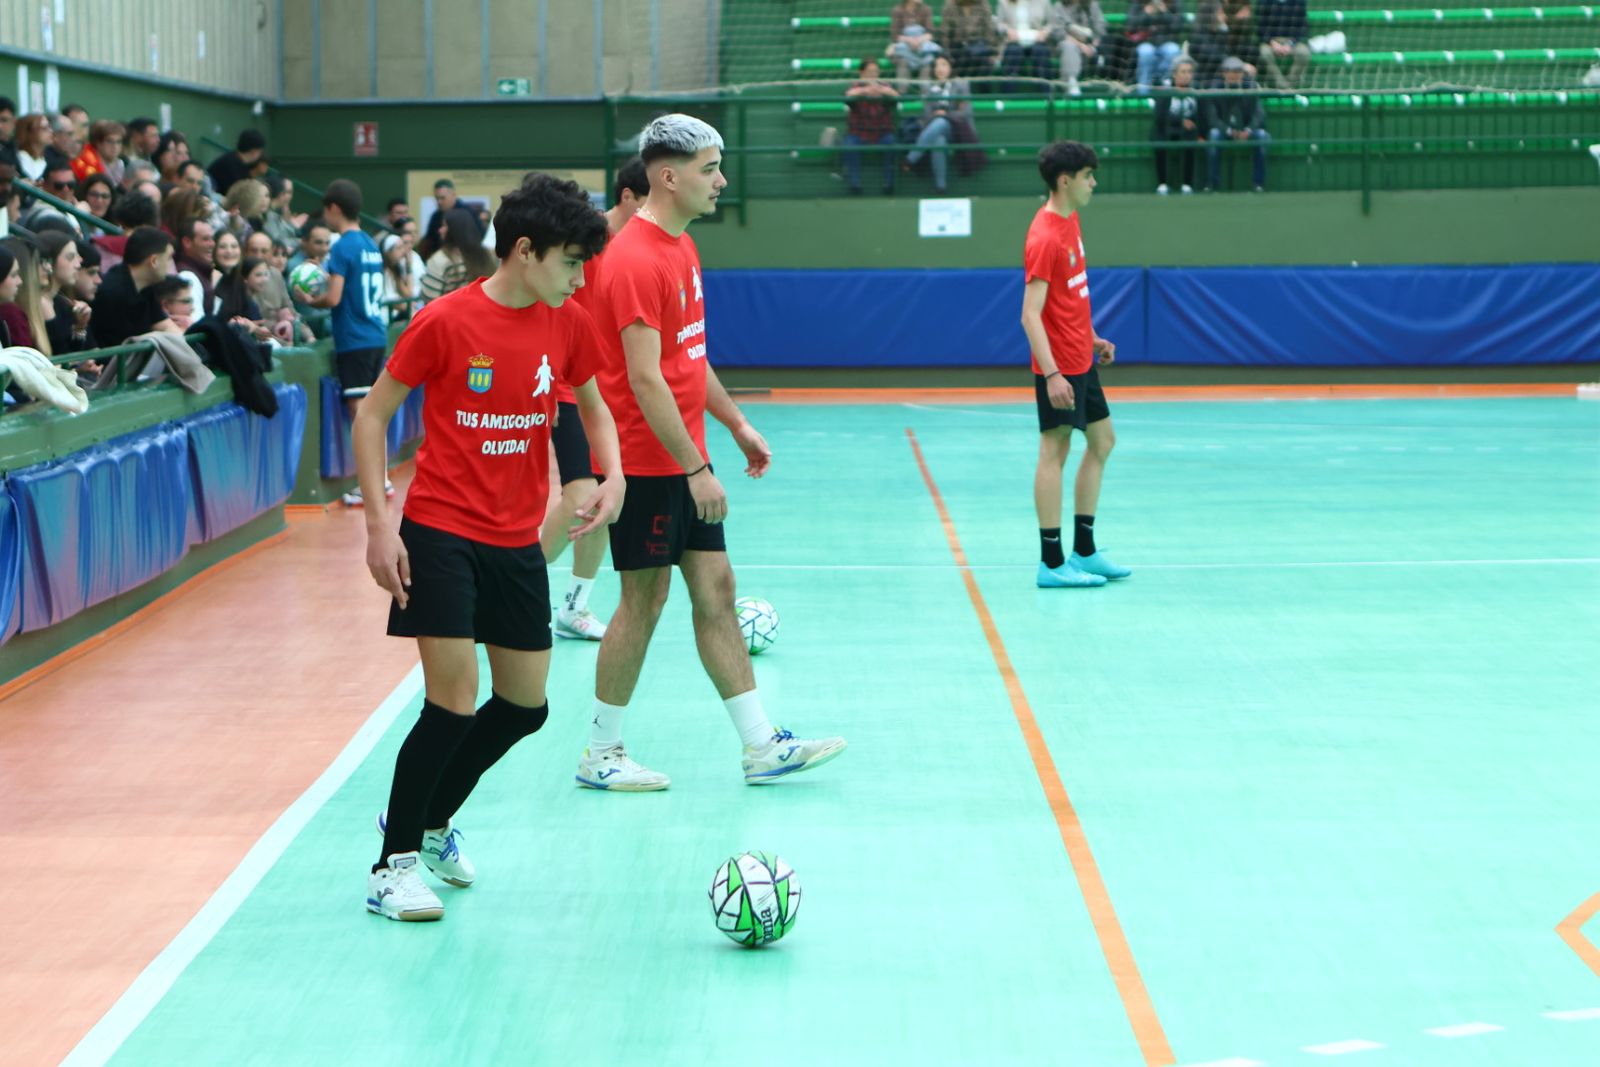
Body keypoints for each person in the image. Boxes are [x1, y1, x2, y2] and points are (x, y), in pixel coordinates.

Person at [354, 173, 620, 921]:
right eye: (571, 261)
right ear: (526, 251)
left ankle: (432, 820)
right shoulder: (445, 321)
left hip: (513, 540)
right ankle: (392, 864)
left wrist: (613, 475)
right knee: (451, 703)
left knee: (524, 705)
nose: (579, 278)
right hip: (439, 530)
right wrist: (379, 525)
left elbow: (592, 407)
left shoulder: (566, 321)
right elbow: (372, 419)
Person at [581, 114, 846, 791]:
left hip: (684, 454)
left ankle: (761, 744)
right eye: (709, 168)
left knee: (717, 588)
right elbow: (642, 378)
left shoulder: (681, 247)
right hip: (646, 464)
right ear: (667, 176)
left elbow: (686, 359)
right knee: (644, 599)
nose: (721, 180)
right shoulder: (636, 258)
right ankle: (601, 752)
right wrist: (695, 468)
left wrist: (734, 424)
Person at [545, 157, 650, 642]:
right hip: (567, 386)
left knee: (602, 501)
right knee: (581, 496)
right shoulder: (584, 244)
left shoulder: (645, 249)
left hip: (607, 395)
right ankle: (507, 580)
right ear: (628, 196)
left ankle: (574, 606)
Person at [1022, 141, 1131, 589]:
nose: (1094, 183)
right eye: (1088, 175)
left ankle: (1084, 551)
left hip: (1080, 357)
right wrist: (1052, 375)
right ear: (1065, 180)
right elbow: (1030, 314)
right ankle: (1051, 561)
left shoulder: (1072, 221)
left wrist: (1093, 338)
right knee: (1054, 451)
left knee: (1103, 441)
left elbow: (1070, 301)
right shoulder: (1045, 236)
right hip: (1059, 367)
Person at [300, 180, 390, 504]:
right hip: (375, 334)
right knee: (373, 412)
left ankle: (370, 486)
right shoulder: (368, 242)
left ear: (334, 208)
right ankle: (383, 478)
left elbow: (334, 297)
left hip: (353, 338)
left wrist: (309, 299)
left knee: (361, 413)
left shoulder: (342, 245)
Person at [88, 226, 180, 346]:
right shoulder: (111, 293)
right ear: (154, 261)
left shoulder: (147, 285)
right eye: (168, 258)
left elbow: (165, 325)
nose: (170, 264)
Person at [902, 55, 973, 194]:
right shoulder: (929, 88)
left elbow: (965, 113)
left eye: (943, 65)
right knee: (938, 141)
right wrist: (935, 115)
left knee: (941, 121)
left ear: (951, 67)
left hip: (957, 129)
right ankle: (941, 186)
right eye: (937, 65)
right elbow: (926, 115)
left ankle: (911, 158)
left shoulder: (961, 85)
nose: (939, 69)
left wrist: (945, 115)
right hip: (934, 130)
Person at [1204, 56, 1269, 190]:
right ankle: (1213, 184)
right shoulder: (1215, 88)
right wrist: (1228, 130)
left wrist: (1248, 130)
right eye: (1229, 71)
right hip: (1224, 130)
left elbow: (1259, 114)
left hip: (1246, 130)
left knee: (1262, 136)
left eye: (1237, 71)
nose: (1233, 75)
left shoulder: (1250, 86)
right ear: (1223, 73)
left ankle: (1258, 184)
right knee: (1214, 135)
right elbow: (1212, 117)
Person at [842, 58, 900, 196]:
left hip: (882, 132)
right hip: (858, 132)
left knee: (892, 143)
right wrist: (865, 90)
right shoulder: (856, 86)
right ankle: (855, 185)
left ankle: (888, 184)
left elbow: (896, 95)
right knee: (849, 145)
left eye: (876, 72)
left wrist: (881, 90)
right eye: (869, 72)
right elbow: (847, 95)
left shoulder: (885, 85)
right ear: (861, 73)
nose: (873, 75)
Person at [420, 207, 495, 300]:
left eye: (444, 226)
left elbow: (429, 298)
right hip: (481, 310)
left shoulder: (440, 260)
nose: (440, 230)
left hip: (449, 312)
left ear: (455, 229)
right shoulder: (486, 255)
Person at [1153, 56, 1204, 193]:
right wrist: (1180, 121)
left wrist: (1201, 133)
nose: (1187, 75)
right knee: (1159, 140)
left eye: (1189, 72)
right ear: (1175, 74)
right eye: (1183, 72)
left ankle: (1187, 183)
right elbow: (1160, 116)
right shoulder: (1165, 91)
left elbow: (1202, 115)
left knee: (1191, 141)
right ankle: (1162, 183)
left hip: (1189, 131)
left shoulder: (1196, 91)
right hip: (1167, 129)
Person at [36, 231, 92, 355]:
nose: (78, 264)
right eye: (71, 257)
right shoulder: (36, 303)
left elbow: (71, 354)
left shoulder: (62, 303)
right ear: (48, 263)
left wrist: (80, 326)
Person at [997, 0, 1059, 87]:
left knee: (1041, 51)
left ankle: (1046, 94)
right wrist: (1008, 31)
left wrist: (1044, 32)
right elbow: (999, 23)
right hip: (1014, 40)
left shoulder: (1044, 2)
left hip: (1037, 39)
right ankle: (1008, 94)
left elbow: (1051, 23)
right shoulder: (1004, 2)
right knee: (1013, 51)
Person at [1127, 0, 1184, 89]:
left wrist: (1164, 11)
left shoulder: (1174, 2)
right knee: (1146, 52)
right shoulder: (1138, 2)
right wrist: (1146, 13)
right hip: (1145, 42)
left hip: (1167, 42)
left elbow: (1177, 26)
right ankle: (1143, 92)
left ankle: (1163, 85)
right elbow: (1131, 26)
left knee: (1173, 50)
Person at [1055, 0, 1108, 95]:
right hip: (1068, 42)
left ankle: (1103, 88)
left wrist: (1093, 44)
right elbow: (1058, 32)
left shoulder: (1092, 4)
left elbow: (1100, 27)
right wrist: (1080, 45)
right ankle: (1071, 83)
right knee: (1069, 47)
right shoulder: (1060, 6)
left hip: (1090, 44)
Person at [886, 1, 942, 89]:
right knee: (902, 62)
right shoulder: (897, 10)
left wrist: (919, 40)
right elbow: (895, 36)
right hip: (905, 48)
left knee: (928, 62)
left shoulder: (926, 9)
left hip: (922, 47)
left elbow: (930, 33)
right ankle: (902, 96)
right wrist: (909, 40)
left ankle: (926, 95)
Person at [941, 0, 1001, 80]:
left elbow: (989, 31)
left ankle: (978, 90)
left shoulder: (982, 4)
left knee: (985, 63)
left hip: (978, 49)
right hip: (957, 49)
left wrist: (993, 53)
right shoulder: (950, 5)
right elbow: (945, 33)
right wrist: (946, 55)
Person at [1256, 0, 1309, 88]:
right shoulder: (1264, 2)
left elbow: (1302, 27)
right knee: (1265, 53)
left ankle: (1290, 85)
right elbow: (1261, 27)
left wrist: (1290, 43)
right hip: (1271, 41)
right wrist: (1272, 43)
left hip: (1291, 41)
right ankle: (1281, 85)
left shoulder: (1299, 2)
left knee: (1304, 52)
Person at [207, 129, 266, 196]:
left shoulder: (240, 163)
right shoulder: (229, 164)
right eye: (260, 151)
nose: (260, 155)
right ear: (254, 151)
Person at [417, 178, 460, 259]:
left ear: (453, 195)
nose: (439, 202)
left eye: (442, 198)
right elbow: (429, 240)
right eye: (437, 198)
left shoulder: (467, 214)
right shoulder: (436, 217)